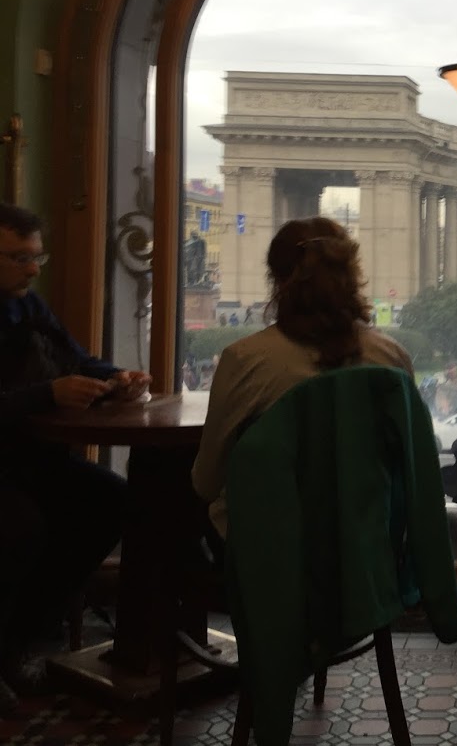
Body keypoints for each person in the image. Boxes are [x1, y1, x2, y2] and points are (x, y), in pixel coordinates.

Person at [0, 203, 151, 712]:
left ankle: (23, 632)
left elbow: (77, 360)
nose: (33, 268)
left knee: (113, 501)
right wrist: (48, 394)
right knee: (22, 527)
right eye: (19, 258)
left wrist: (116, 380)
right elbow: (46, 388)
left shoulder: (29, 306)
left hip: (32, 460)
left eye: (37, 257)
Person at [191, 217, 414, 540]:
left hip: (268, 558)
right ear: (353, 276)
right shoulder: (392, 358)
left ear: (276, 281)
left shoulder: (245, 360)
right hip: (369, 552)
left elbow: (206, 482)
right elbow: (409, 473)